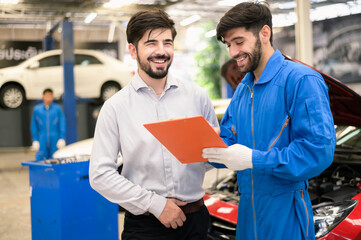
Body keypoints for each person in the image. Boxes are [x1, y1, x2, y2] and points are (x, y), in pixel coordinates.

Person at [202, 2, 336, 240]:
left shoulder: (302, 80)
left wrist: (254, 159)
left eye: (239, 42)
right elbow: (229, 144)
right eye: (229, 45)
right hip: (247, 213)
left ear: (264, 33)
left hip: (286, 212)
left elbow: (317, 152)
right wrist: (207, 143)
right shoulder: (243, 89)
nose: (232, 53)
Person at [89, 9, 218, 240]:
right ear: (133, 50)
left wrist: (215, 151)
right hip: (144, 226)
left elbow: (210, 161)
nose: (161, 51)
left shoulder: (197, 97)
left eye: (167, 42)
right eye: (151, 43)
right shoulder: (115, 108)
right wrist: (155, 204)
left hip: (196, 221)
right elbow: (100, 174)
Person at [31, 88, 66, 160]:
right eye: (47, 96)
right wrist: (35, 139)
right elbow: (34, 125)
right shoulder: (37, 110)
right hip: (42, 138)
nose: (49, 98)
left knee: (56, 158)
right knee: (40, 159)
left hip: (55, 138)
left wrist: (62, 138)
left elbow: (62, 124)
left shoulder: (57, 109)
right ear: (43, 96)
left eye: (51, 96)